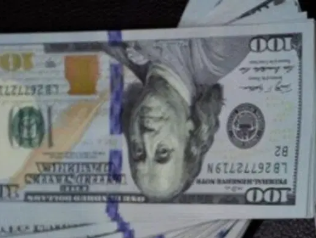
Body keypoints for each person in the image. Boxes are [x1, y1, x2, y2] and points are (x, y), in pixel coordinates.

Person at [102, 36, 250, 202]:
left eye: (138, 151)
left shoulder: (116, 51)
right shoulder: (218, 55)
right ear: (191, 132)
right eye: (163, 151)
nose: (146, 136)